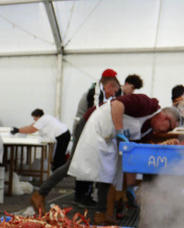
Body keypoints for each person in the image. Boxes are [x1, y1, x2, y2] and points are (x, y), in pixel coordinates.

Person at [68, 93, 181, 223]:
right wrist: (119, 131)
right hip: (93, 122)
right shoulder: (145, 103)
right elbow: (116, 104)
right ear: (165, 118)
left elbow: (131, 157)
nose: (166, 133)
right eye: (170, 128)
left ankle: (101, 214)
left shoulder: (147, 130)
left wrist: (130, 188)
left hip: (108, 135)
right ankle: (41, 194)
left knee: (107, 173)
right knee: (72, 164)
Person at [30, 74, 122, 213]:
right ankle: (42, 193)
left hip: (90, 126)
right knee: (73, 164)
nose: (115, 94)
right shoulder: (96, 93)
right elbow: (95, 113)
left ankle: (98, 208)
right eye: (114, 90)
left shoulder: (102, 94)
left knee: (99, 165)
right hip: (86, 126)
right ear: (109, 85)